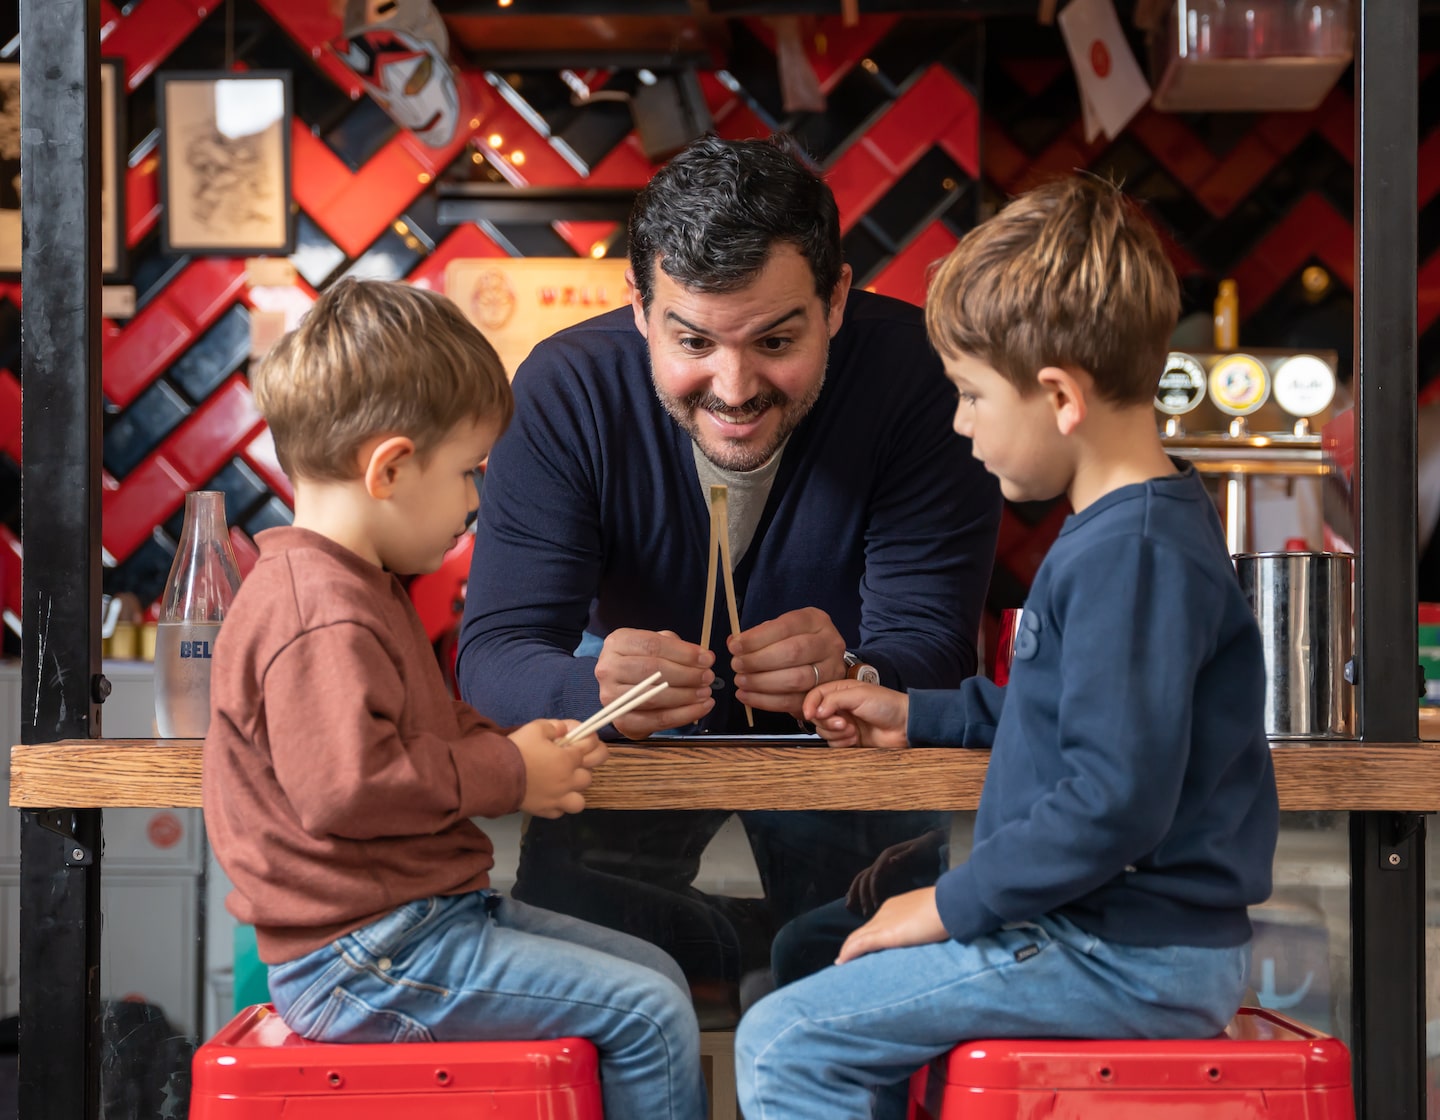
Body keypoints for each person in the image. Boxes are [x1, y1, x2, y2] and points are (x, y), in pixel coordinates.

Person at [734, 175, 1281, 1120]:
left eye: (971, 395)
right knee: (801, 953)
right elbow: (1073, 715)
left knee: (784, 1041)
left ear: (1060, 396)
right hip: (1120, 941)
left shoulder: (1131, 556)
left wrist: (946, 906)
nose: (960, 423)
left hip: (1121, 955)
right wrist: (920, 713)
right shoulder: (1132, 531)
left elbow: (1113, 803)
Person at [456, 133, 1003, 997]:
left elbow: (934, 645)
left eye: (776, 340)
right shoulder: (569, 390)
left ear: (836, 300)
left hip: (847, 772)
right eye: (694, 342)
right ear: (640, 308)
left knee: (865, 1024)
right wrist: (591, 687)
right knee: (605, 1022)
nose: (735, 386)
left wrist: (864, 669)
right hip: (626, 769)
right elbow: (494, 654)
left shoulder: (920, 382)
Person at [202, 278, 706, 1120]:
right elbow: (348, 787)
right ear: (391, 467)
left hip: (414, 926)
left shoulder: (359, 588)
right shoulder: (317, 609)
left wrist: (523, 742)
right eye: (470, 472)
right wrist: (509, 772)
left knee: (659, 976)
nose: (478, 503)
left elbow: (425, 730)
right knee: (651, 1015)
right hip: (361, 956)